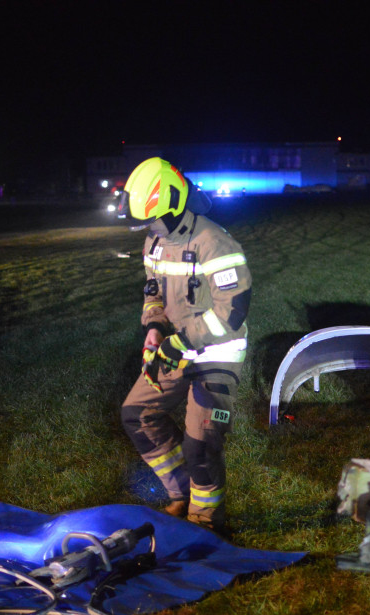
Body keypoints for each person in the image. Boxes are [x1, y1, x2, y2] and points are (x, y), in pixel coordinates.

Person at [118, 158, 251, 534]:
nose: (149, 230)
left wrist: (182, 340)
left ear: (174, 206)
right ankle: (181, 495)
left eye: (153, 220)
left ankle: (206, 524)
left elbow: (232, 312)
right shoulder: (155, 242)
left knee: (201, 446)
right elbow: (153, 292)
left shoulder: (215, 242)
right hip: (173, 349)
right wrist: (155, 327)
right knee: (136, 416)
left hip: (217, 356)